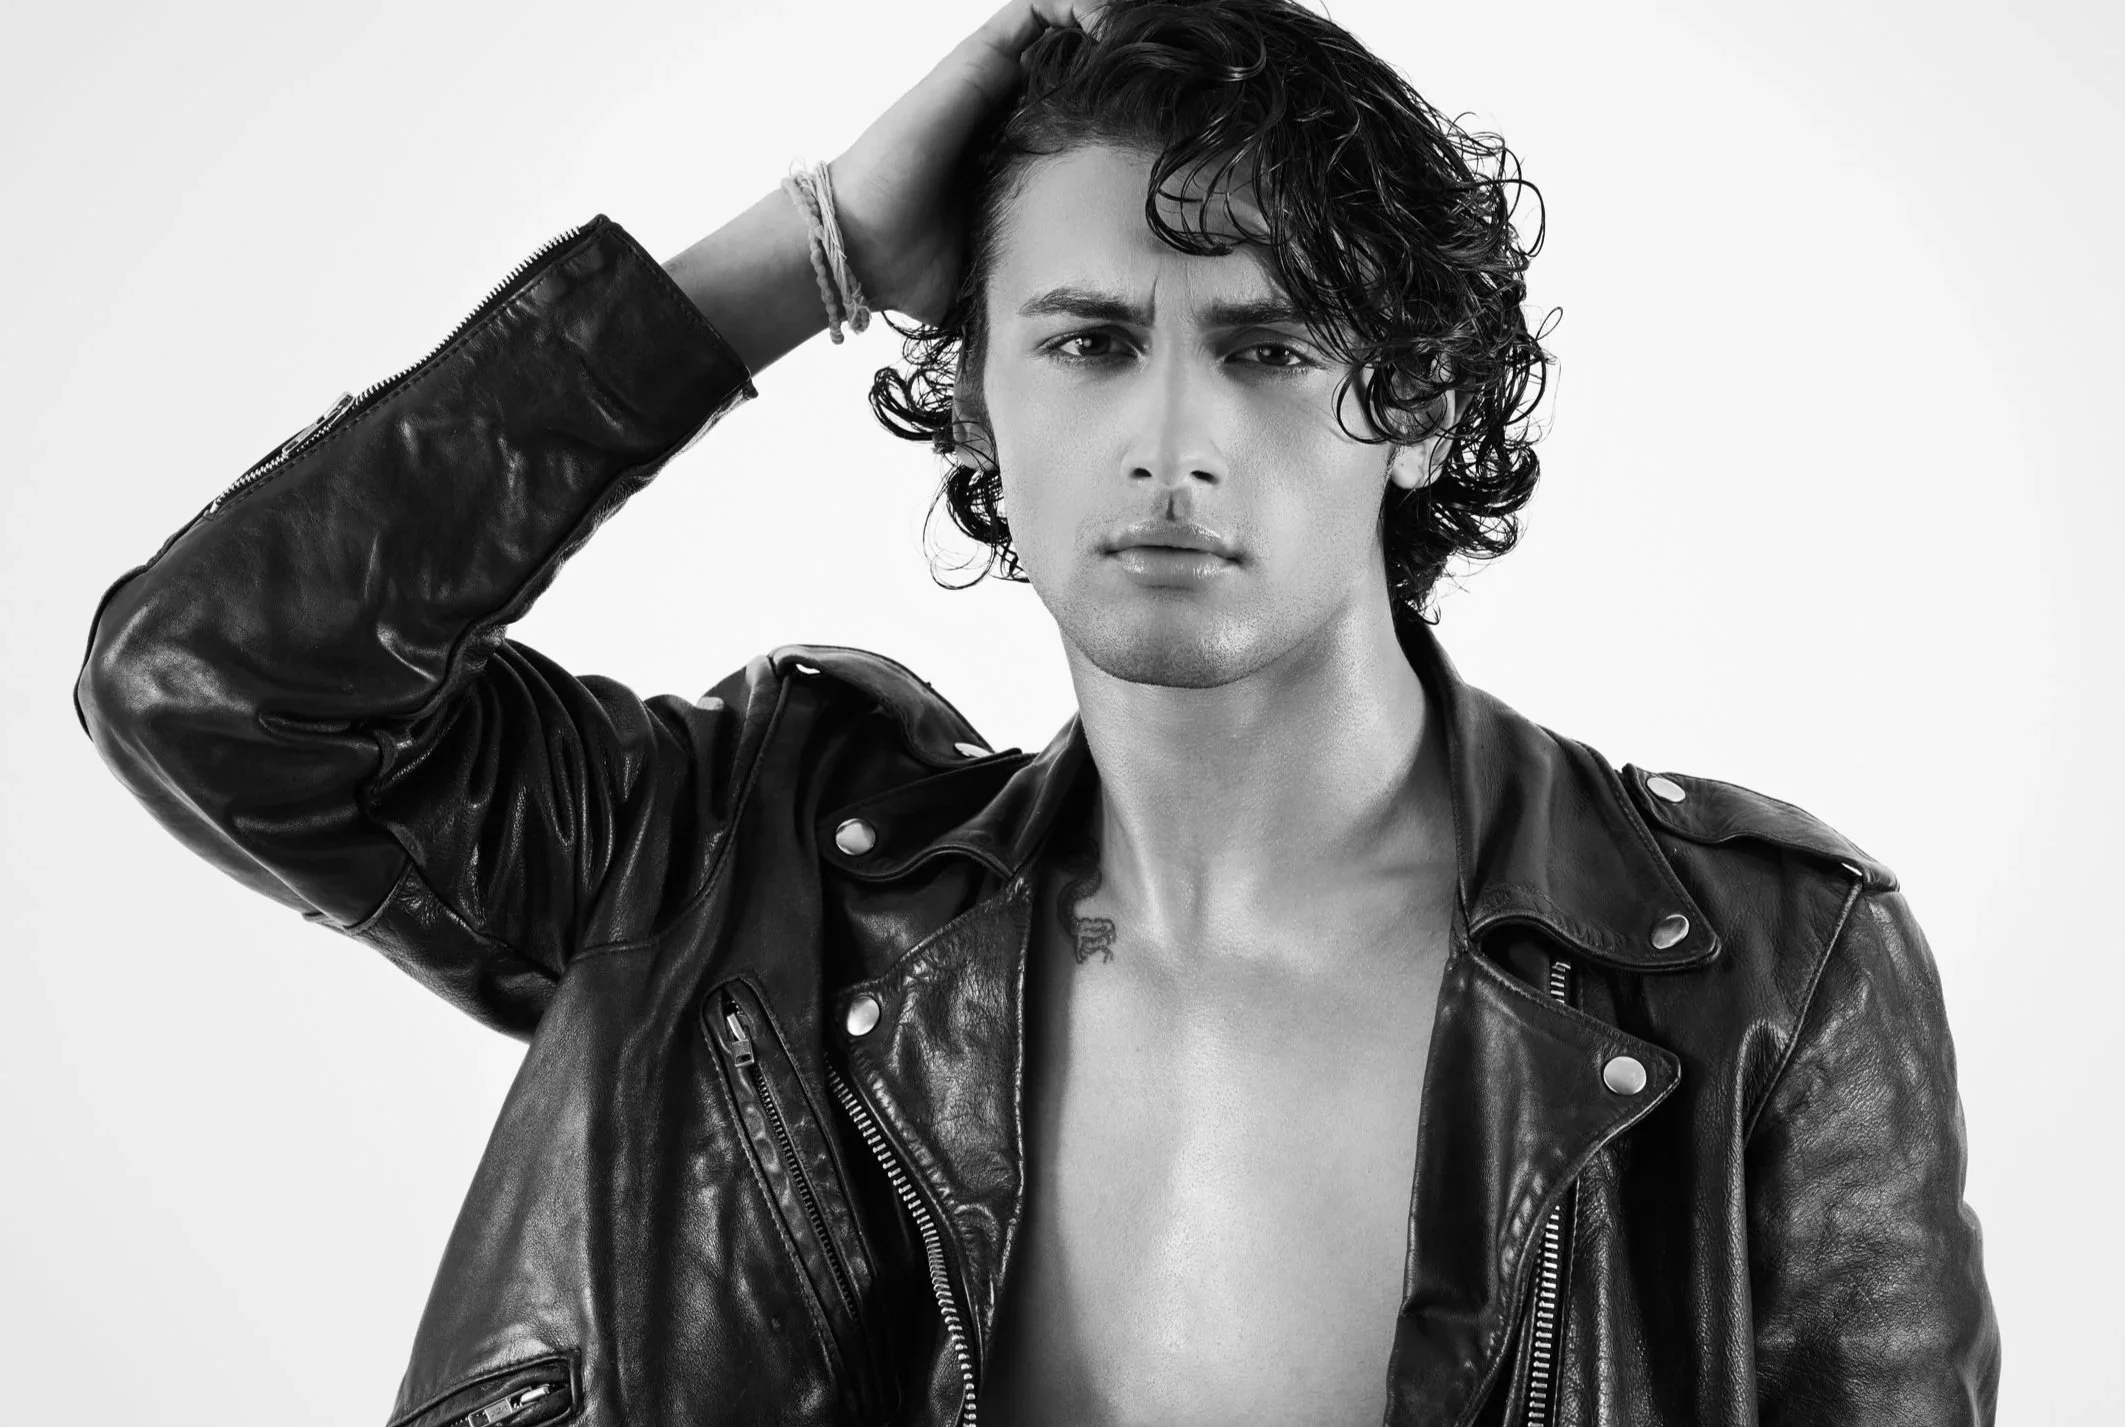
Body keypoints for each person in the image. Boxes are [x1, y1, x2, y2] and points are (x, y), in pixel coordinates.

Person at [72, 0, 1999, 1423]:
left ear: (1413, 408)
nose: (1170, 440)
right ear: (978, 395)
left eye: (1268, 347)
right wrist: (814, 249)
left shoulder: (1760, 973)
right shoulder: (739, 887)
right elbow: (217, 686)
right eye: (1088, 342)